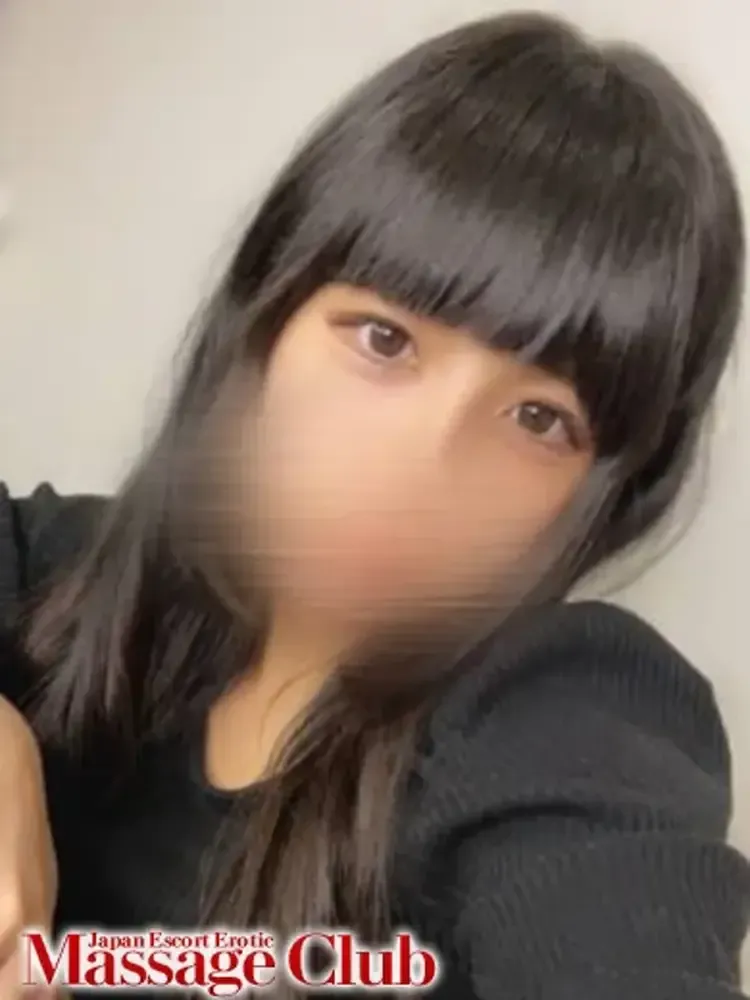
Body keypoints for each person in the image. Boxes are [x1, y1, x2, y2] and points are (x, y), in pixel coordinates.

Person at [1, 10, 749, 999]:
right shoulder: (82, 581)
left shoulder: (564, 709)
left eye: (537, 418)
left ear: (605, 488)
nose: (420, 473)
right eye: (384, 341)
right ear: (266, 321)